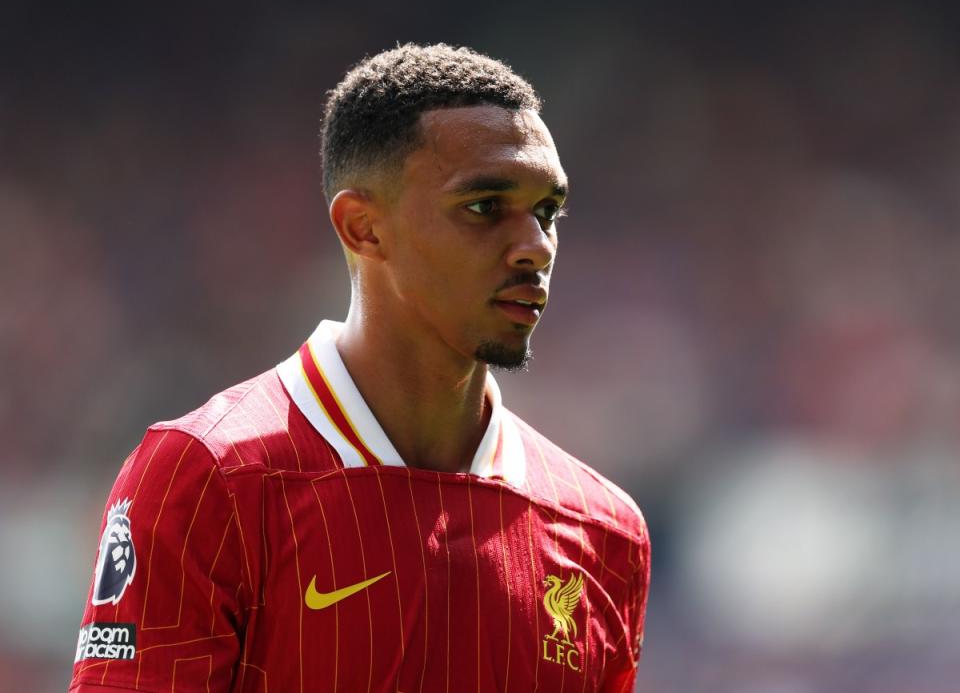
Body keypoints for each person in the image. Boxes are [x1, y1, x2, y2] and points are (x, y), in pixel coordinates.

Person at [69, 43, 650, 693]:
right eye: (485, 207)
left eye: (547, 211)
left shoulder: (603, 529)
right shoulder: (206, 476)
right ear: (363, 227)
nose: (535, 247)